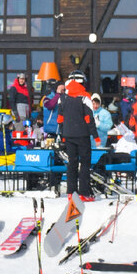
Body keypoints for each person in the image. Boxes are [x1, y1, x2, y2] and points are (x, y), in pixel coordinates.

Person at [55, 71, 97, 200]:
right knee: (85, 163)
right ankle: (84, 193)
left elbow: (60, 119)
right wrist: (96, 136)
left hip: (68, 135)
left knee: (71, 163)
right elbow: (89, 118)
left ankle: (71, 192)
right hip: (82, 134)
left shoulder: (62, 98)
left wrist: (62, 134)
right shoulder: (85, 96)